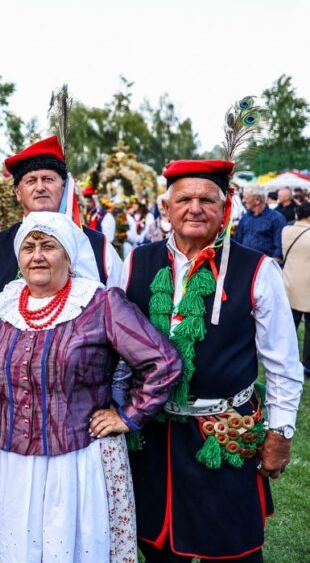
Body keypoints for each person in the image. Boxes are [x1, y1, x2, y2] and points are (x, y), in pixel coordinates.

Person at [0, 211, 182, 562]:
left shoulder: (99, 304)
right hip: (8, 460)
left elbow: (163, 362)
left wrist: (129, 415)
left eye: (49, 246)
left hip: (75, 462)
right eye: (29, 247)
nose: (37, 255)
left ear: (69, 255)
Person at [124, 159, 304, 562]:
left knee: (235, 551)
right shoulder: (135, 262)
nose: (195, 208)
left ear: (225, 210)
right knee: (156, 547)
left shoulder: (258, 269)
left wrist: (280, 434)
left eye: (207, 199)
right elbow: (117, 351)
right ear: (165, 209)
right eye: (184, 199)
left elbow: (283, 364)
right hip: (154, 439)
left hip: (224, 436)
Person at [0, 136, 125, 383]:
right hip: (11, 394)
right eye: (30, 181)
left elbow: (122, 324)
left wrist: (116, 396)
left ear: (64, 187)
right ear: (17, 191)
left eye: (48, 179)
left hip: (84, 394)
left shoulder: (98, 246)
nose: (40, 187)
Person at [282, 201, 310, 376]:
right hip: (307, 285)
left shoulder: (286, 231)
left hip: (289, 283)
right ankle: (307, 363)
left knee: (288, 325)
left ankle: (285, 358)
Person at [236, 186, 286, 259]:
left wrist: (272, 264)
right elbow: (238, 241)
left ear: (257, 200)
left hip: (263, 265)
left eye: (246, 198)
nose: (243, 200)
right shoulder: (245, 217)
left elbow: (280, 247)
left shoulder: (276, 218)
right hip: (244, 262)